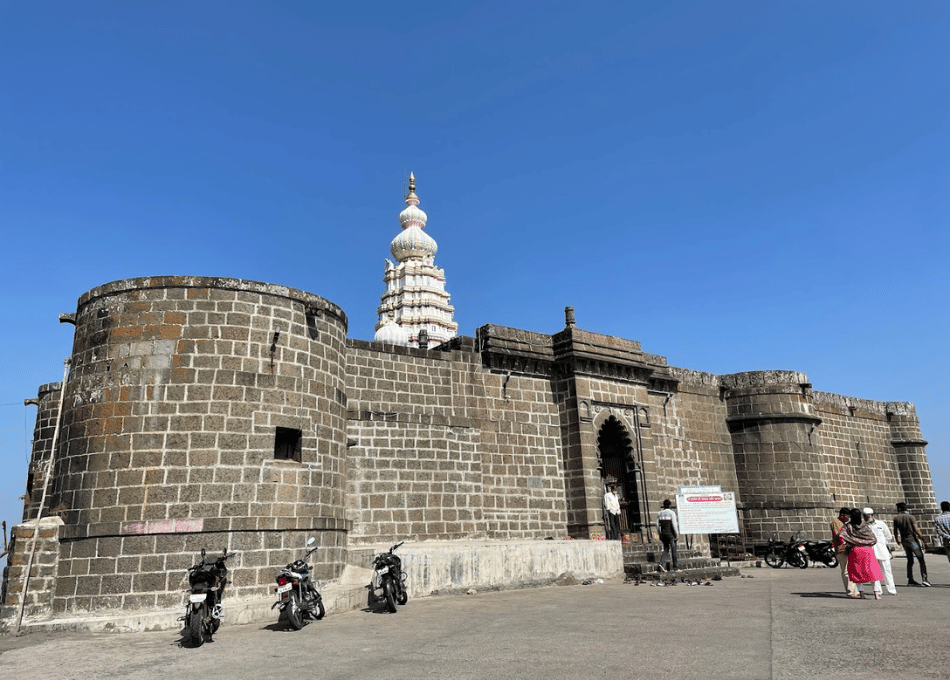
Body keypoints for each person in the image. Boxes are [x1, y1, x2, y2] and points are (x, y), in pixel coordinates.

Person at [840, 508, 884, 599]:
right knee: (872, 572)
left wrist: (850, 542)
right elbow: (873, 539)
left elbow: (842, 536)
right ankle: (876, 593)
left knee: (857, 573)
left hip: (855, 551)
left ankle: (862, 593)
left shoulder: (848, 526)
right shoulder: (864, 526)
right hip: (867, 551)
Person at [892, 502, 930, 586]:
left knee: (910, 560)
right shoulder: (911, 517)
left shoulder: (896, 518)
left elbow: (895, 531)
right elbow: (916, 529)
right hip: (913, 540)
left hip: (904, 541)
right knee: (921, 559)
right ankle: (924, 579)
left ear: (899, 509)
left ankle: (910, 579)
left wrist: (897, 540)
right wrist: (923, 539)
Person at [863, 507, 896, 596]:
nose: (865, 518)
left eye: (867, 516)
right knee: (874, 572)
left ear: (871, 515)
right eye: (864, 516)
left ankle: (891, 590)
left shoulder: (881, 524)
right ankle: (878, 590)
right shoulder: (864, 526)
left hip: (883, 551)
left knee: (887, 571)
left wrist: (882, 543)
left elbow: (888, 536)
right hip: (871, 552)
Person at [830, 507, 858, 597]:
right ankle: (850, 591)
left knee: (852, 570)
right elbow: (839, 536)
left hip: (849, 549)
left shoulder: (844, 523)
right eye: (847, 516)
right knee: (846, 570)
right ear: (843, 515)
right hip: (841, 549)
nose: (848, 518)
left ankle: (855, 590)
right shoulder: (835, 522)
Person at [656, 499, 679, 572]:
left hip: (663, 534)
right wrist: (677, 534)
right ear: (670, 505)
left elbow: (657, 525)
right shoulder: (672, 513)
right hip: (671, 535)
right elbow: (674, 525)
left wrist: (659, 533)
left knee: (666, 549)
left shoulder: (659, 513)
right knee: (674, 550)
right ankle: (676, 568)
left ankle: (662, 564)